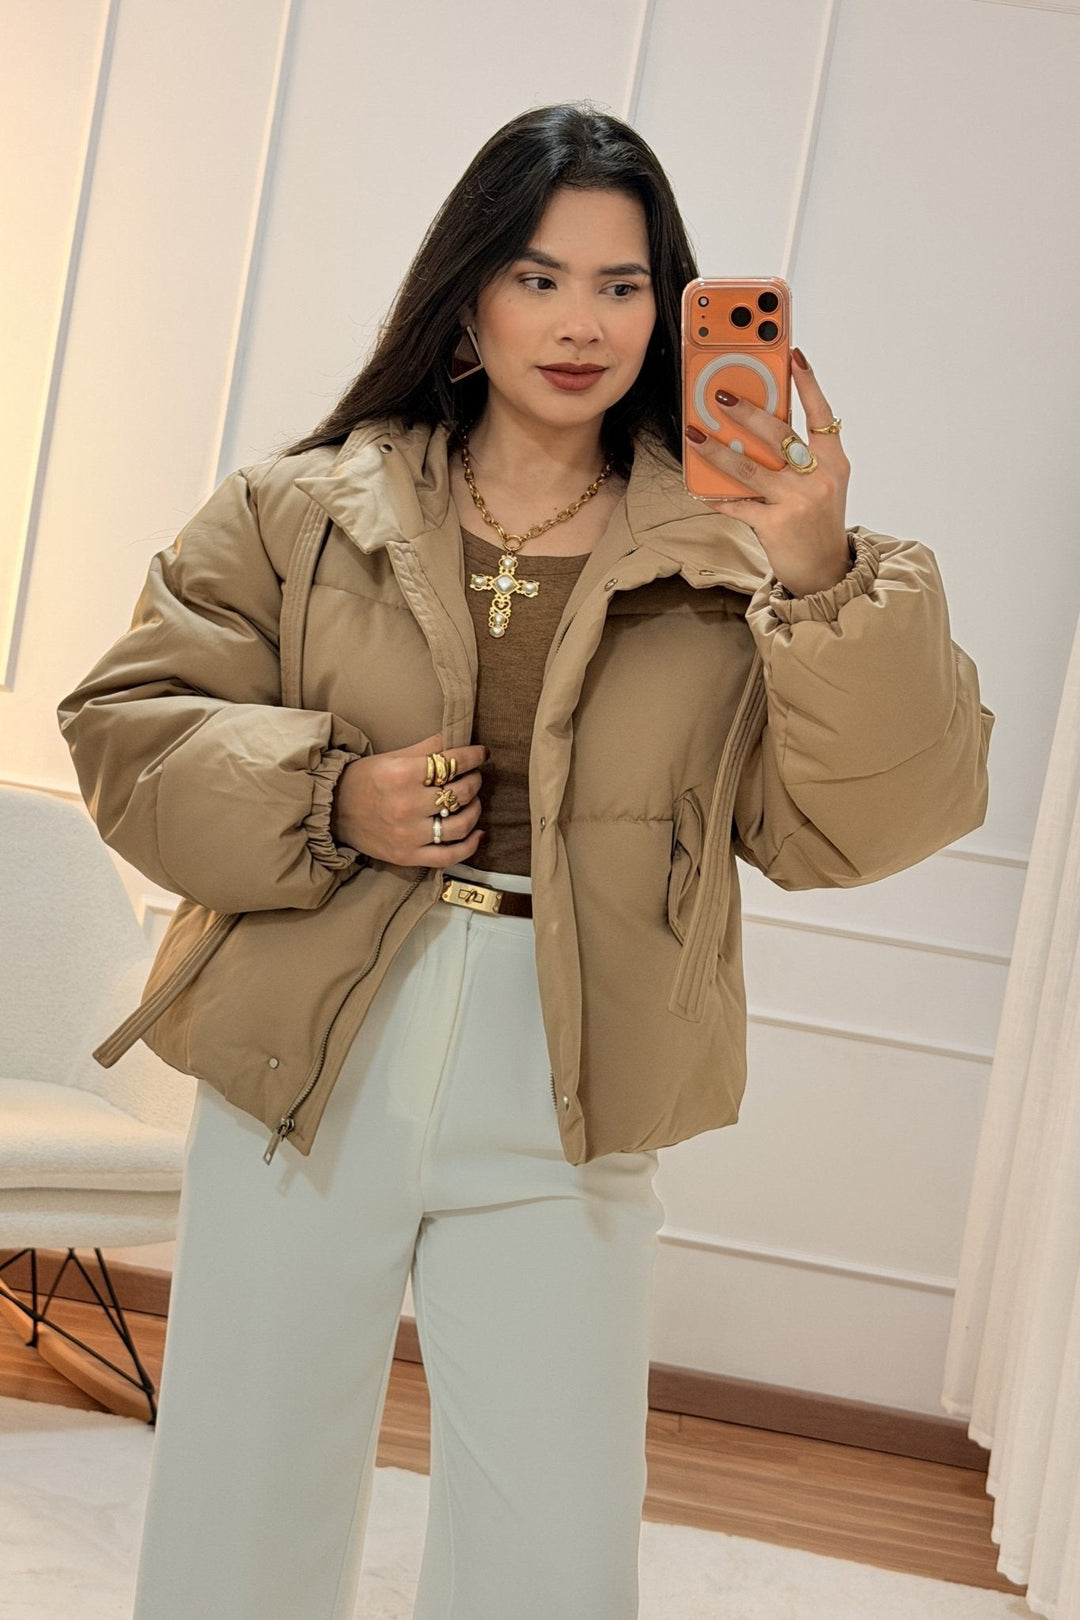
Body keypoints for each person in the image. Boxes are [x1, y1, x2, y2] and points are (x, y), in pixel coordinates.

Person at [57, 102, 993, 1620]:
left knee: (551, 1543)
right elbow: (126, 727)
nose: (582, 324)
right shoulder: (304, 511)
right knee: (245, 1499)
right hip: (310, 1050)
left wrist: (821, 566)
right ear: (468, 296)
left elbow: (863, 826)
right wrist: (330, 798)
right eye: (539, 277)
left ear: (670, 311)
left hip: (572, 1068)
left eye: (624, 286)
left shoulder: (738, 554)